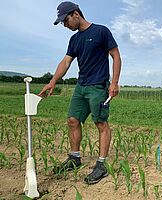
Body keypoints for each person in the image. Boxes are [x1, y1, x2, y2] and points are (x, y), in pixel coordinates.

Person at [39, 1, 121, 185]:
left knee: (101, 123)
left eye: (65, 20)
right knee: (72, 120)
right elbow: (66, 62)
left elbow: (116, 55)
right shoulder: (74, 40)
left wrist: (114, 82)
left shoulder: (101, 31)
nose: (64, 25)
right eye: (62, 22)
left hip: (98, 86)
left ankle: (101, 165)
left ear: (76, 14)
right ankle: (74, 158)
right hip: (81, 86)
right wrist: (53, 81)